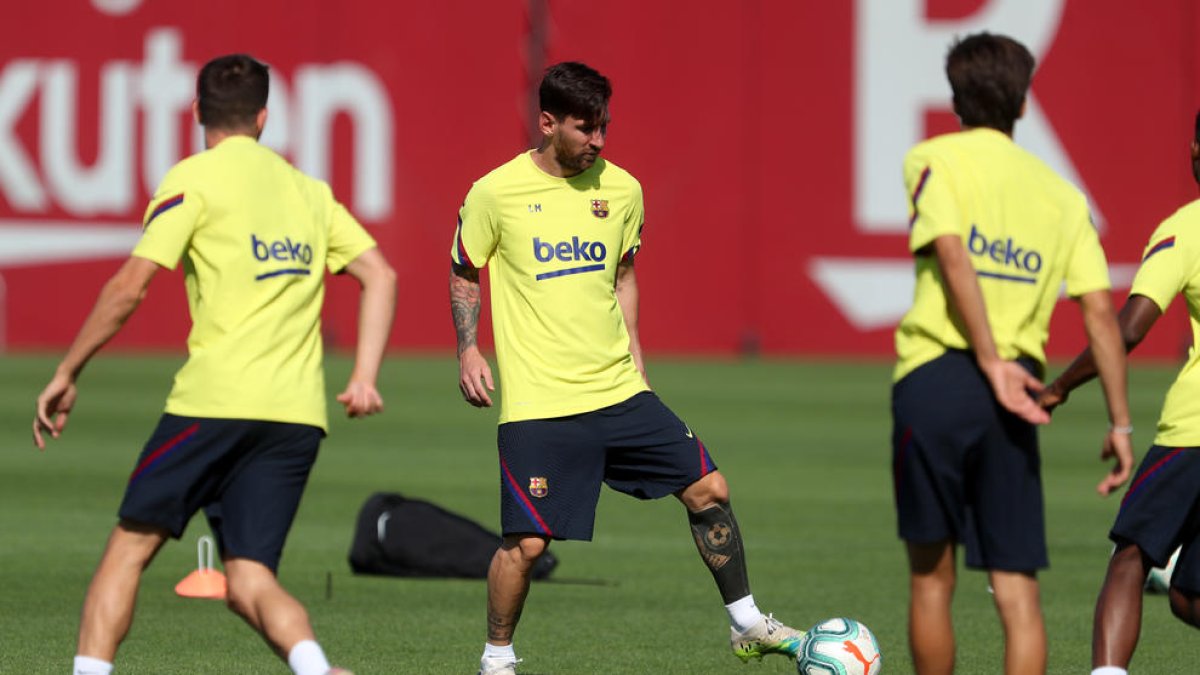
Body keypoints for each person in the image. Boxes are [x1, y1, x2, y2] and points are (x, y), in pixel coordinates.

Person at [32, 54, 396, 675]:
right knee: (249, 575)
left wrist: (68, 370)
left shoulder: (191, 179)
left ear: (196, 110)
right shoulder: (308, 190)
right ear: (264, 118)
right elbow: (379, 273)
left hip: (213, 403)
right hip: (295, 416)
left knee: (127, 551)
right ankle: (315, 668)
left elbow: (129, 287)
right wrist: (362, 377)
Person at [449, 61, 803, 675]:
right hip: (542, 403)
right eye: (586, 128)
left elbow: (624, 273)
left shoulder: (623, 190)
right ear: (548, 122)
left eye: (604, 126)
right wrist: (467, 347)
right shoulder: (494, 192)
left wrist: (637, 355)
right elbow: (464, 268)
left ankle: (747, 623)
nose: (599, 140)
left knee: (709, 490)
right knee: (527, 545)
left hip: (619, 391)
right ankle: (497, 658)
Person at [890, 33, 1134, 675]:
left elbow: (951, 253)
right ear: (1023, 103)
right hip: (1020, 393)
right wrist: (1120, 422)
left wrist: (986, 358)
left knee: (932, 579)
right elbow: (1102, 313)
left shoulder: (931, 158)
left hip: (937, 377)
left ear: (955, 97)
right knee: (1018, 589)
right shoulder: (1061, 194)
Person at [1038, 111, 1200, 675]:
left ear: (1195, 150)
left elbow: (1128, 328)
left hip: (1193, 435)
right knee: (1188, 597)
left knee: (1130, 553)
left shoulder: (1186, 227)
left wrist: (1059, 386)